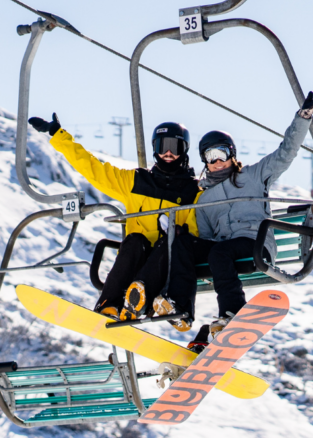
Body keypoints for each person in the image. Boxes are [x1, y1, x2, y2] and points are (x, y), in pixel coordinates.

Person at [134, 88, 313, 342]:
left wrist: (303, 118)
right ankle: (180, 308)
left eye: (222, 153)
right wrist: (185, 238)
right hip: (224, 252)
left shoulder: (253, 176)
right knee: (183, 242)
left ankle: (233, 310)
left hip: (254, 246)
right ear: (204, 160)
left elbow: (286, 152)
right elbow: (205, 236)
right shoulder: (203, 199)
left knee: (220, 251)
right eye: (210, 157)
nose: (217, 161)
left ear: (232, 154)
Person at [28, 113, 200, 319]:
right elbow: (94, 169)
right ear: (155, 149)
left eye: (175, 146)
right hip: (139, 255)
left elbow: (197, 228)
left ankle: (140, 297)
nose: (169, 153)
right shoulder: (136, 181)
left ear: (185, 150)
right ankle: (108, 305)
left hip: (168, 259)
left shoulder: (193, 191)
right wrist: (59, 135)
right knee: (134, 240)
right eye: (163, 146)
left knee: (171, 241)